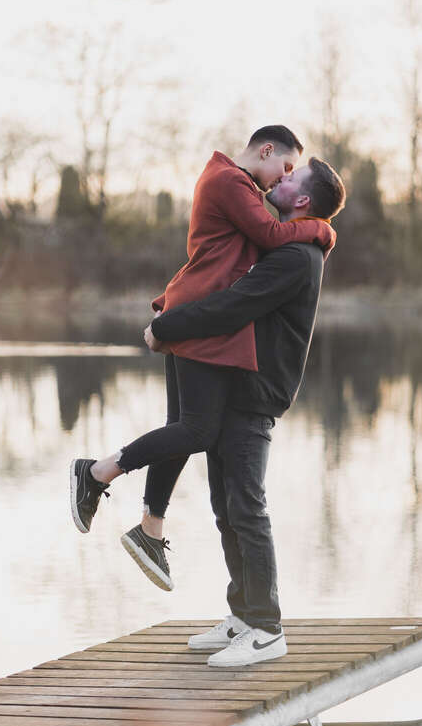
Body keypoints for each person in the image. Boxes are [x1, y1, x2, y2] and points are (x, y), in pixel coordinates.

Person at [69, 127, 336, 589]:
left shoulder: (236, 184)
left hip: (196, 316)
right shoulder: (231, 181)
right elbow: (271, 234)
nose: (283, 177)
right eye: (286, 166)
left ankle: (151, 527)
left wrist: (172, 311)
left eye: (292, 174)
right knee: (196, 431)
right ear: (266, 150)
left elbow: (221, 259)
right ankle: (96, 472)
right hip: (200, 322)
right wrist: (323, 230)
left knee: (182, 428)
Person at [145, 156, 347, 666]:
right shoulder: (286, 246)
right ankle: (243, 614)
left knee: (247, 507)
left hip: (256, 393)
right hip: (235, 387)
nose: (282, 177)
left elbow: (232, 305)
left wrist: (166, 327)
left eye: (292, 178)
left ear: (303, 200)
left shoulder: (296, 256)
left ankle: (267, 628)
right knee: (227, 507)